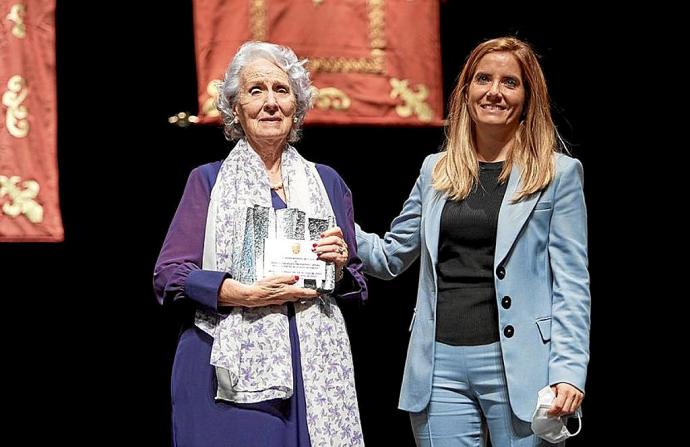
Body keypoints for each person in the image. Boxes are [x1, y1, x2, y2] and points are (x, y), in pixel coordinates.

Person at [356, 36, 591, 446]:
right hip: (438, 368)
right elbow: (392, 256)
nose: (494, 92)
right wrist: (336, 224)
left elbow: (572, 284)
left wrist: (569, 370)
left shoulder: (558, 174)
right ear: (466, 92)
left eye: (509, 82)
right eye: (483, 79)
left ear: (527, 96)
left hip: (521, 368)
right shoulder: (436, 171)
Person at [154, 41, 367, 447]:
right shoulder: (208, 181)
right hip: (224, 370)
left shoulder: (328, 182)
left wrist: (339, 267)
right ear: (236, 108)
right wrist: (237, 294)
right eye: (256, 91)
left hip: (315, 370)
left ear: (296, 107)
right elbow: (169, 276)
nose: (270, 102)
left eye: (281, 90)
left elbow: (355, 281)